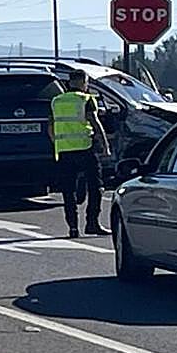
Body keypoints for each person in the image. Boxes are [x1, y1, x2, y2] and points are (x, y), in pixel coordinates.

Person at [52, 69, 110, 238]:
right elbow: (95, 122)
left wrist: (57, 142)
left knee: (68, 191)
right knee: (96, 187)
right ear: (84, 83)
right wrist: (105, 145)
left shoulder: (57, 101)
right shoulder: (85, 99)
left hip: (64, 151)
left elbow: (51, 125)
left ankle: (73, 228)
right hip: (85, 148)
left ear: (70, 82)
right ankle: (92, 223)